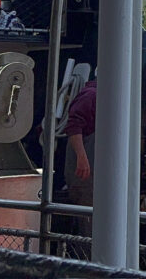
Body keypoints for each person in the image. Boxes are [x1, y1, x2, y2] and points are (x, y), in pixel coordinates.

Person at [62, 79, 96, 238]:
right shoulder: (91, 95)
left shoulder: (110, 96)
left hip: (98, 178)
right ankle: (84, 261)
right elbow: (74, 125)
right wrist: (82, 158)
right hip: (86, 178)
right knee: (87, 224)